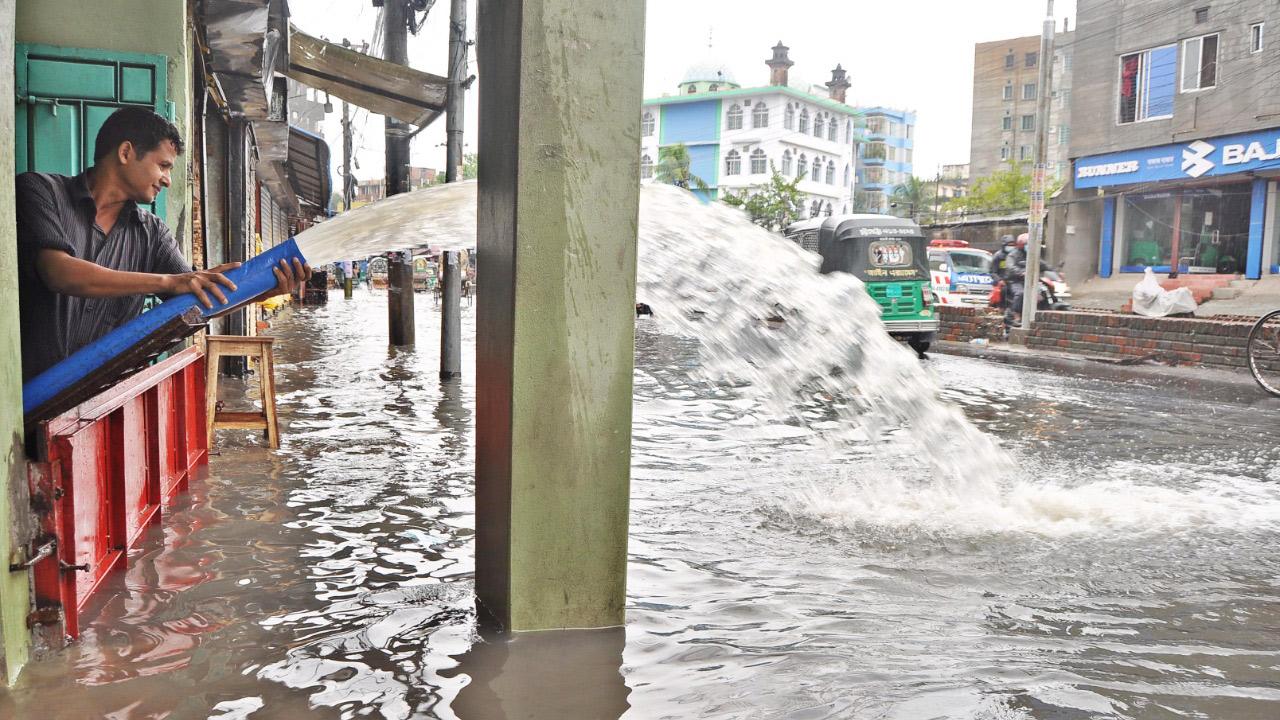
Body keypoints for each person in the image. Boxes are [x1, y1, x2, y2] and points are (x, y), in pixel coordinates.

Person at [16, 106, 309, 382]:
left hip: (96, 402)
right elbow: (57, 272)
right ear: (126, 152)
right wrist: (168, 281)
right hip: (20, 397)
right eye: (163, 165)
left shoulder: (152, 233)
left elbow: (194, 301)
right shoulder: (40, 192)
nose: (167, 180)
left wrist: (260, 291)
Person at [1003, 233, 1029, 329]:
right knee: (1020, 293)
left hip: (1027, 281)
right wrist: (1021, 272)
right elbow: (1010, 267)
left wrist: (1053, 271)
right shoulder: (1013, 255)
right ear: (1021, 244)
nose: (1028, 246)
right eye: (1027, 243)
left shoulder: (1031, 255)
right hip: (1014, 281)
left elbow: (1042, 264)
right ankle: (1015, 315)